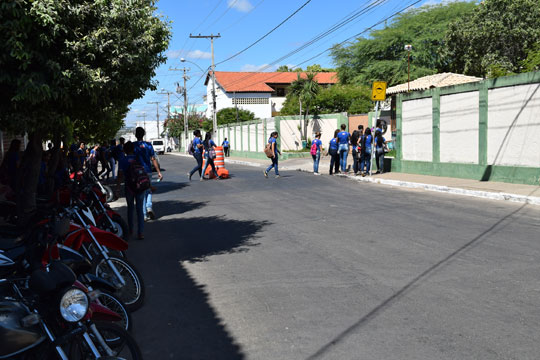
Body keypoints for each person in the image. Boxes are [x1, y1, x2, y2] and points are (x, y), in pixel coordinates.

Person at [134, 127, 163, 221]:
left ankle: (144, 215)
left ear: (135, 135)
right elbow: (153, 159)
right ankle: (149, 206)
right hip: (148, 171)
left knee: (141, 192)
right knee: (148, 189)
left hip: (138, 172)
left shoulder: (133, 146)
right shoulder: (148, 145)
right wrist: (158, 172)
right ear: (144, 134)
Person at [117, 141, 145, 240]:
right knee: (140, 209)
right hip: (140, 187)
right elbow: (143, 172)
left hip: (129, 187)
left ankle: (131, 230)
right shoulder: (138, 158)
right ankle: (140, 232)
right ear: (133, 149)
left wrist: (118, 188)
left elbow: (120, 175)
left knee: (130, 209)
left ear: (124, 150)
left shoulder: (122, 160)